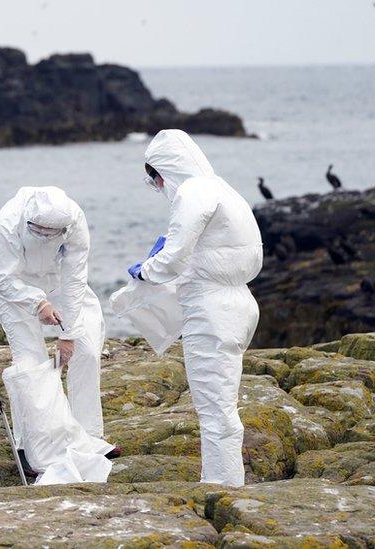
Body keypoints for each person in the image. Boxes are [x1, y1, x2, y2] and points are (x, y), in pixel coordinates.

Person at [129, 129, 262, 487]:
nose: (157, 187)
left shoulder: (192, 191)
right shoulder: (222, 187)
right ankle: (224, 479)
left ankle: (222, 487)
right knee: (223, 404)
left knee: (214, 408)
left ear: (164, 170)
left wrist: (145, 270)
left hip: (212, 310)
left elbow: (173, 258)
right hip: (239, 302)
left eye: (155, 179)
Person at [0, 186, 115, 484]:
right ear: (29, 222)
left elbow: (74, 277)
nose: (47, 237)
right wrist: (38, 303)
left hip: (58, 283)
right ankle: (31, 447)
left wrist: (68, 333)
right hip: (16, 290)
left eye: (53, 233)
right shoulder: (10, 219)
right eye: (40, 232)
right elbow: (4, 279)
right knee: (30, 368)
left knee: (84, 350)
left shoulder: (75, 220)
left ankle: (87, 436)